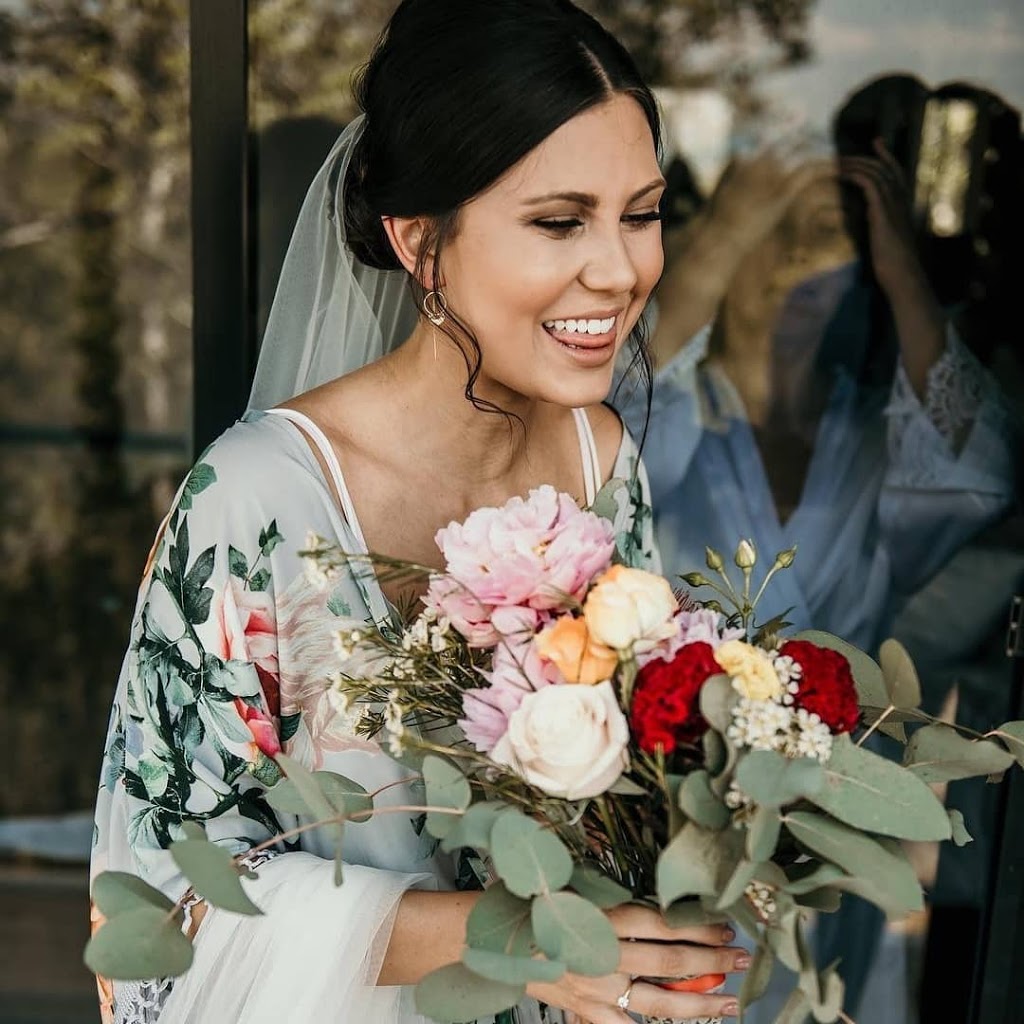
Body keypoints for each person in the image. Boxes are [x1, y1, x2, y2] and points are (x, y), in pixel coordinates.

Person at [89, 2, 751, 1022]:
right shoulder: (257, 503)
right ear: (419, 242)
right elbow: (149, 910)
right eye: (559, 220)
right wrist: (526, 943)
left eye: (641, 211)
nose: (620, 270)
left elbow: (632, 806)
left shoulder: (602, 460)